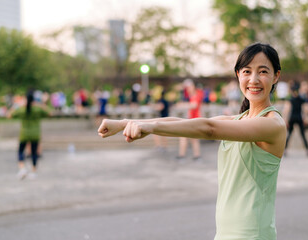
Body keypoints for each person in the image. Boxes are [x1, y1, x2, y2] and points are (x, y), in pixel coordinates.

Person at [98, 43, 286, 240]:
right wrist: (125, 123)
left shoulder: (272, 124)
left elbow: (208, 129)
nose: (253, 79)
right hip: (226, 233)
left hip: (253, 234)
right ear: (238, 74)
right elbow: (183, 122)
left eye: (263, 71)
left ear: (276, 76)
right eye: (247, 71)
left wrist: (150, 128)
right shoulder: (239, 120)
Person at [8, 90, 50, 180]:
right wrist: (42, 103)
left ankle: (22, 168)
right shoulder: (37, 109)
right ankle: (33, 171)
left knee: (20, 152)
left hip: (24, 134)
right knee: (34, 153)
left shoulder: (22, 109)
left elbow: (9, 115)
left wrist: (17, 104)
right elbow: (49, 113)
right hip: (35, 134)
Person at [176, 79, 203, 161]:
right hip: (191, 119)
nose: (187, 89)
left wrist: (182, 105)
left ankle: (185, 155)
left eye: (188, 87)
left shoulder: (196, 95)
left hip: (194, 120)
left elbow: (194, 105)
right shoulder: (190, 96)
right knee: (189, 138)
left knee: (190, 138)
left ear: (192, 86)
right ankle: (193, 155)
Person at [283, 82, 308, 157]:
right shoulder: (301, 99)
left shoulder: (290, 99)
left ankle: (285, 150)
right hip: (299, 118)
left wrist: (285, 119)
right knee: (303, 135)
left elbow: (286, 110)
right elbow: (306, 110)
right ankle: (307, 150)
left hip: (292, 118)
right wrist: (305, 118)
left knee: (289, 135)